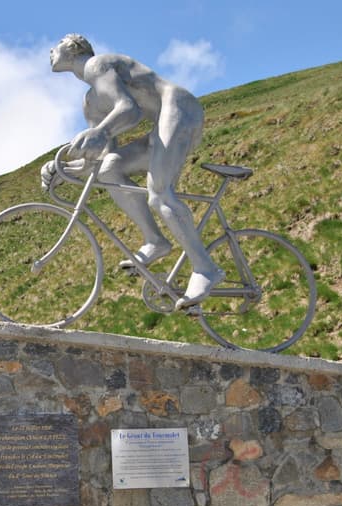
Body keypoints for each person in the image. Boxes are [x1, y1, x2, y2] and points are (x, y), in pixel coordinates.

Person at [41, 34, 224, 309]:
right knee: (109, 168)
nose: (51, 50)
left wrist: (99, 131)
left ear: (74, 49)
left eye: (58, 45)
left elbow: (130, 110)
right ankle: (155, 240)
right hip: (159, 127)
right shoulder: (90, 102)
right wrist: (62, 169)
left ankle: (205, 269)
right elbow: (99, 158)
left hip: (178, 109)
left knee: (160, 194)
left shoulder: (97, 65)